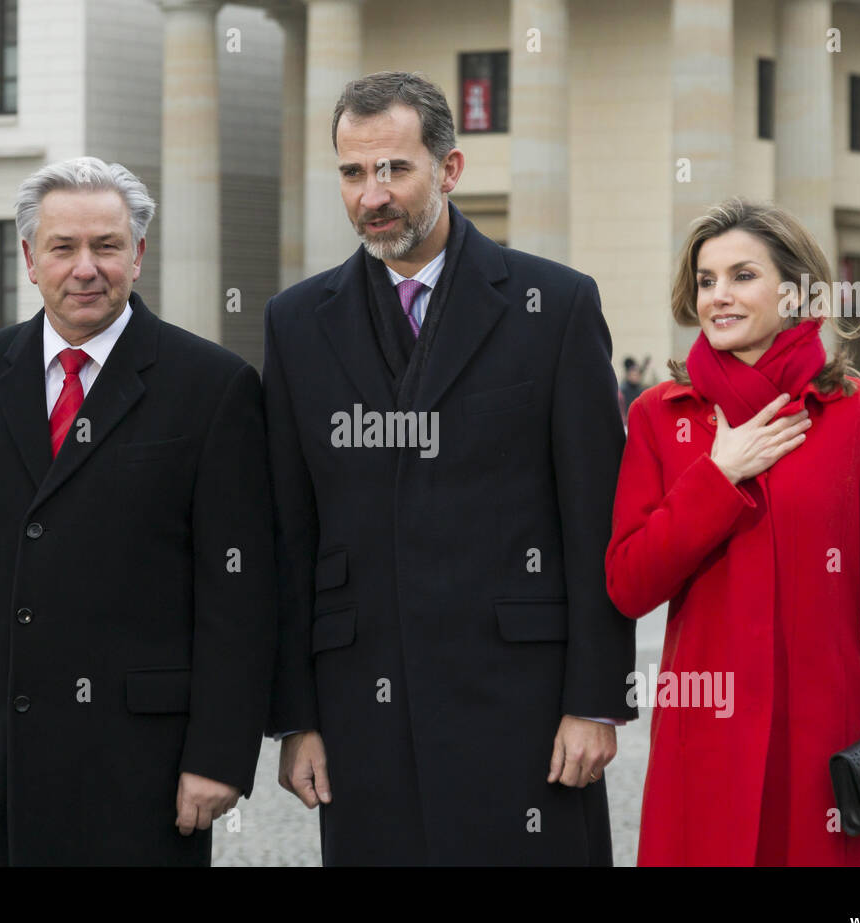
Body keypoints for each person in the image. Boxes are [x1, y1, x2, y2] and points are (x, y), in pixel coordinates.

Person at [264, 73, 634, 865]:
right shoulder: (294, 323)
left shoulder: (555, 305)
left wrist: (595, 702)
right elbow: (289, 533)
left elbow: (594, 517)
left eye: (395, 169)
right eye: (353, 173)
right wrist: (298, 718)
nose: (373, 195)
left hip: (523, 706)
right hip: (362, 709)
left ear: (450, 169)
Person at [0, 156, 278, 866]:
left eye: (107, 246)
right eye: (64, 248)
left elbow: (237, 596)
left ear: (139, 254)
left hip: (140, 762)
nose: (86, 268)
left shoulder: (214, 387)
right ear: (31, 259)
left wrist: (220, 754)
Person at [606, 199, 860, 865]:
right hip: (703, 742)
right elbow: (628, 583)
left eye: (742, 276)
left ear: (795, 292)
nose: (719, 297)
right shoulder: (661, 414)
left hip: (823, 742)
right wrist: (718, 476)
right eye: (706, 280)